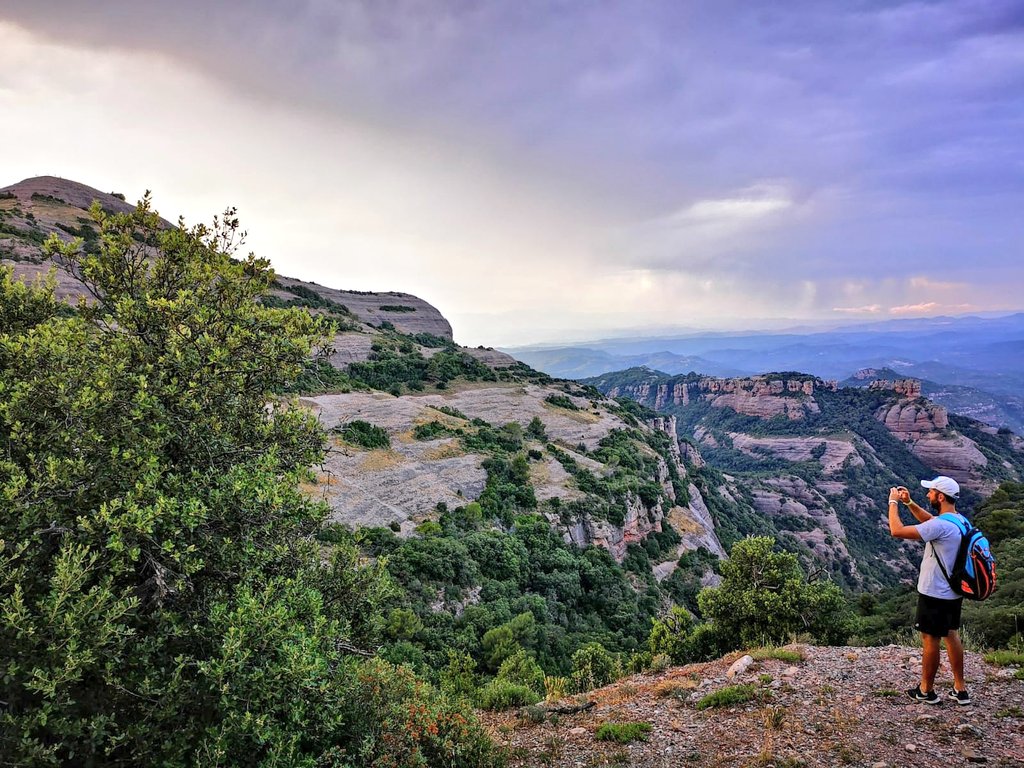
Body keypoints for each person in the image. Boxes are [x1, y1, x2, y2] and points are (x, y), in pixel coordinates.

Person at [887, 475, 971, 705]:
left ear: (940, 497)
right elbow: (930, 522)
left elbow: (896, 531)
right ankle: (960, 688)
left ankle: (926, 690)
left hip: (934, 591)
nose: (928, 495)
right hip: (954, 591)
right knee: (951, 634)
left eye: (931, 492)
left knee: (930, 639)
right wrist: (909, 502)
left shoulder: (941, 525)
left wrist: (893, 502)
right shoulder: (960, 521)